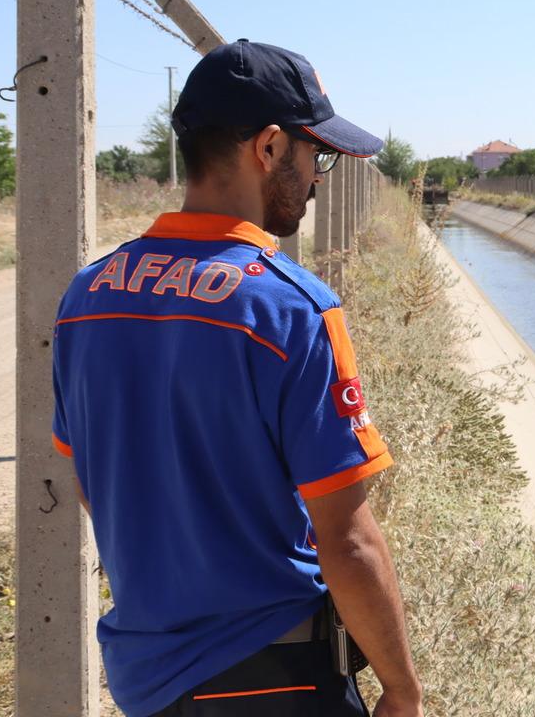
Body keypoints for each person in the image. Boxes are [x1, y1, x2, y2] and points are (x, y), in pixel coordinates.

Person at [51, 40, 422, 716]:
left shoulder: (86, 296)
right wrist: (402, 690)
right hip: (272, 678)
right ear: (271, 148)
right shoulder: (292, 309)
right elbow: (346, 540)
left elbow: (91, 480)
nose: (316, 178)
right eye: (317, 156)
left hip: (145, 677)